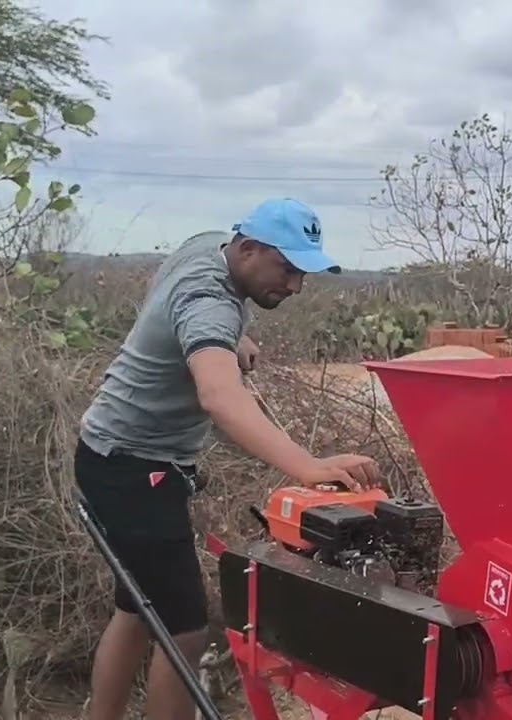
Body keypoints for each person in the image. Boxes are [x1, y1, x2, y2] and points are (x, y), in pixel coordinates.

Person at [74, 197, 381, 720]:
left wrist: (228, 337)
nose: (295, 286)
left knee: (134, 611)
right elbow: (220, 397)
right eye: (287, 269)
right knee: (185, 633)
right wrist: (308, 467)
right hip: (136, 468)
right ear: (247, 248)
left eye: (303, 273)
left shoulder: (206, 247)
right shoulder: (208, 299)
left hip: (107, 454)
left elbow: (165, 289)